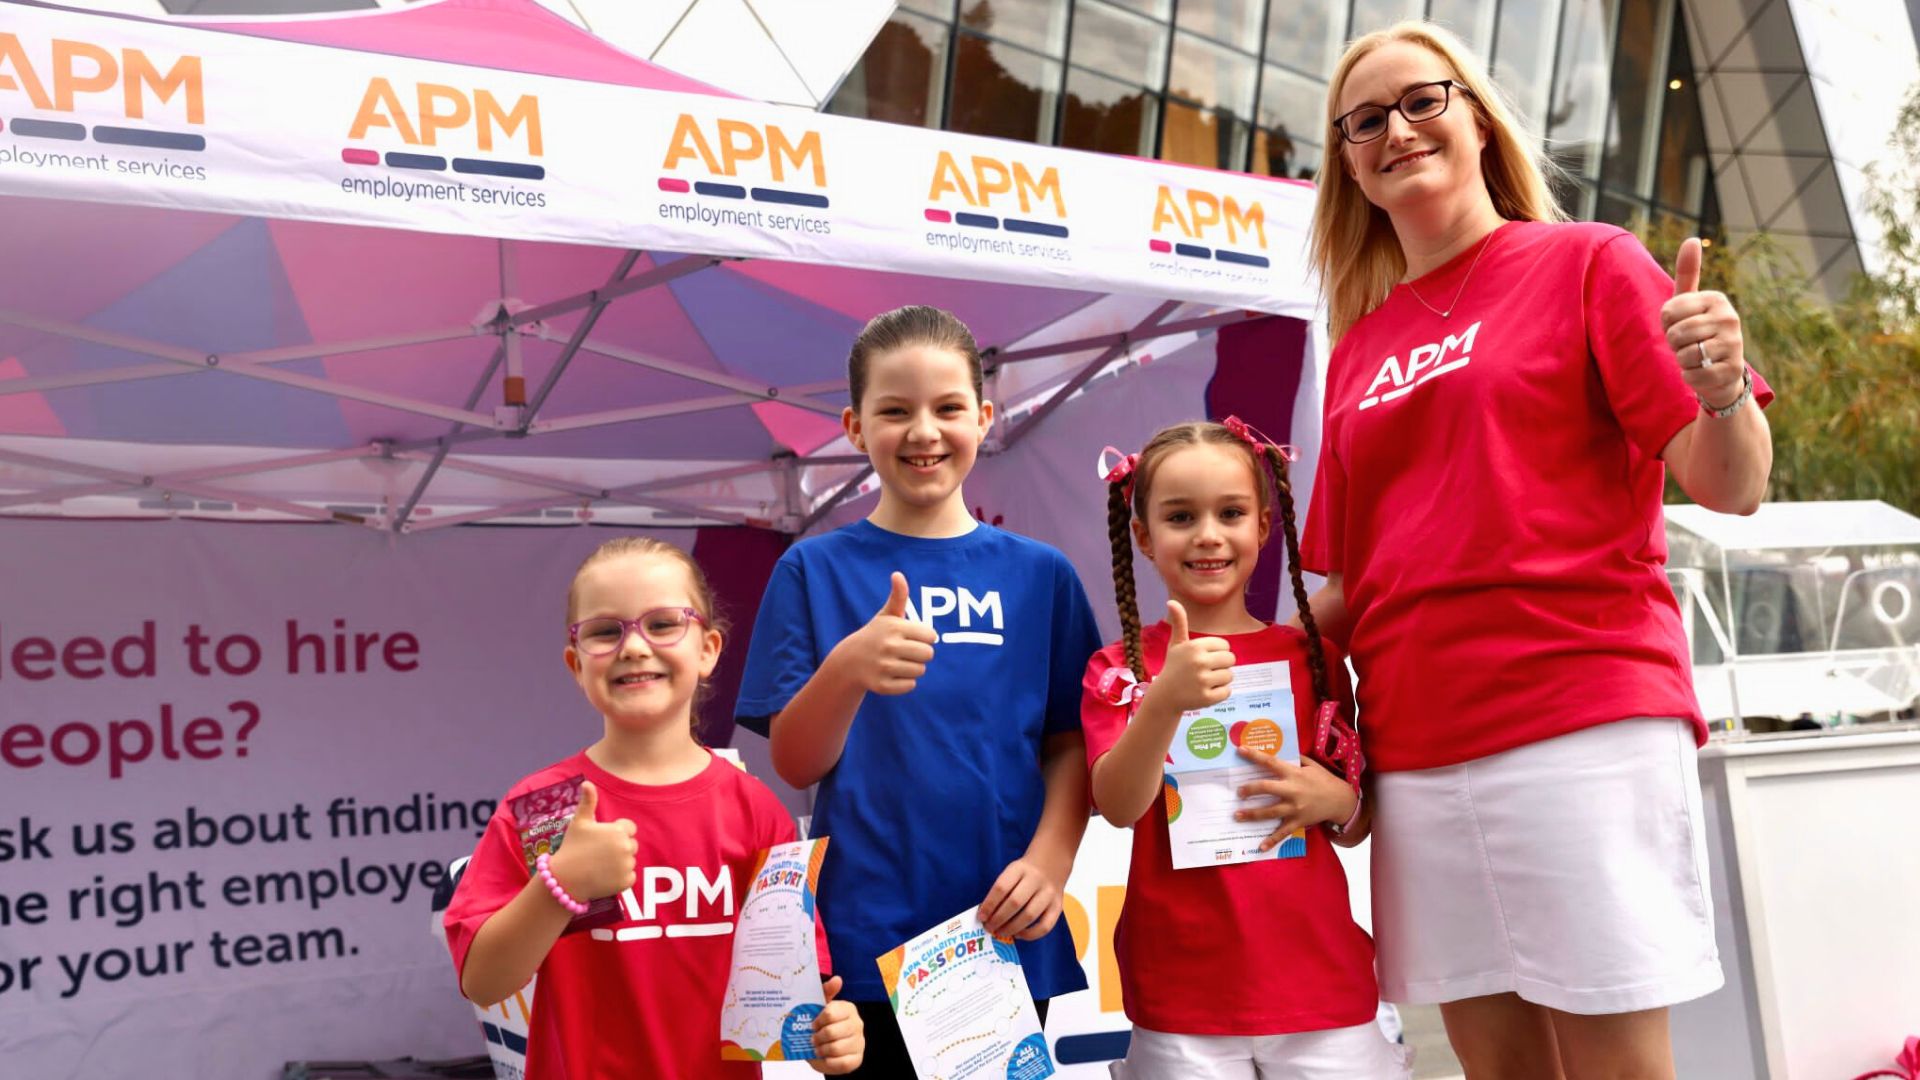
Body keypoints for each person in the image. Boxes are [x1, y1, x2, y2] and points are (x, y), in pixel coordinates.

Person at [1301, 20, 1774, 1079]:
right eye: (1364, 121)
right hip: (1417, 750)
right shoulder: (1358, 348)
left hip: (1579, 719)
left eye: (1422, 101)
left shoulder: (1589, 262)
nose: (1398, 131)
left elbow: (1729, 482)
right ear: (1347, 163)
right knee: (1498, 1070)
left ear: (1476, 117)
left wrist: (1723, 389)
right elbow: (1354, 584)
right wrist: (1210, 662)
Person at [736, 305, 1102, 1077]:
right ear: (854, 425)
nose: (924, 431)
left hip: (1001, 936)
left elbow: (1073, 741)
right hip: (866, 940)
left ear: (986, 417)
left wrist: (1051, 861)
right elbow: (796, 765)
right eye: (894, 411)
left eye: (947, 408)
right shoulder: (813, 571)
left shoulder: (1042, 576)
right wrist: (846, 670)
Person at [444, 536, 865, 1077]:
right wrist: (561, 887)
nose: (634, 647)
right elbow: (483, 982)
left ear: (708, 649)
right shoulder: (545, 808)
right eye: (604, 631)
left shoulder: (758, 812)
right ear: (576, 664)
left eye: (663, 624)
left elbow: (800, 991)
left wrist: (832, 1037)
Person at [1084, 419, 1412, 1079]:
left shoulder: (1314, 658)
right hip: (1181, 999)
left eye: (1230, 513)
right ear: (1143, 536)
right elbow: (1118, 805)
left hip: (1323, 989)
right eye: (1180, 516)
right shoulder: (1119, 666)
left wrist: (1340, 798)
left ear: (1263, 526)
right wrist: (1165, 700)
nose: (1208, 534)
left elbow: (1353, 823)